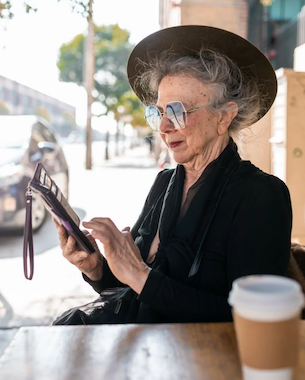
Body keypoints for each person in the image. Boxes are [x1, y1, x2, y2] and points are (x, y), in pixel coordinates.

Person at [54, 25, 292, 324]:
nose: (165, 127)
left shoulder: (261, 194)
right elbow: (130, 292)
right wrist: (96, 268)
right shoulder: (165, 183)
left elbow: (255, 319)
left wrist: (141, 276)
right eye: (159, 113)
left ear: (224, 117)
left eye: (178, 111)